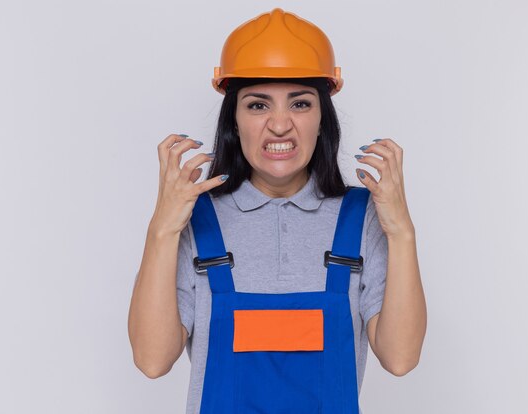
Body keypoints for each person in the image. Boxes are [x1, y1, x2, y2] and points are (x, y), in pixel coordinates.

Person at [128, 8, 427, 414]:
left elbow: (400, 358)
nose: (280, 125)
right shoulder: (195, 220)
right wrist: (161, 230)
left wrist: (402, 233)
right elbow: (152, 360)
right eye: (257, 105)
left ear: (322, 119)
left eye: (300, 103)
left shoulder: (361, 218)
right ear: (234, 120)